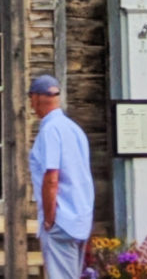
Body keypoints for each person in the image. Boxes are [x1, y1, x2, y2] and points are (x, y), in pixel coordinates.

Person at [28, 74, 94, 279]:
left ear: (36, 98)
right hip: (80, 217)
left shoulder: (50, 130)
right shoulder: (74, 129)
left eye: (30, 98)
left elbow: (51, 178)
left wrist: (49, 219)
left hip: (61, 219)